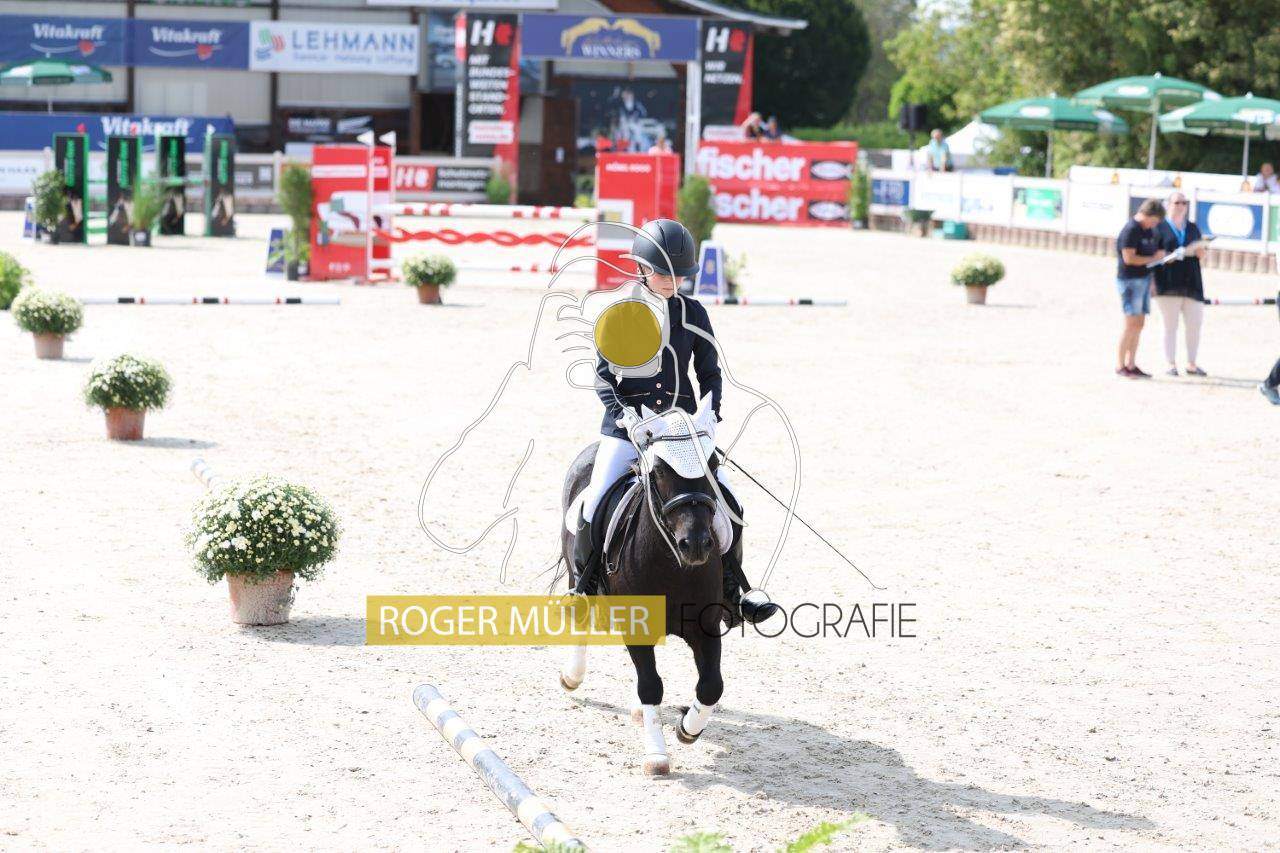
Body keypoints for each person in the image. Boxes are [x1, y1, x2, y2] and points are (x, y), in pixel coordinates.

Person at [570, 219, 778, 625]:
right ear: (642, 269)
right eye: (664, 274)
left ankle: (735, 592)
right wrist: (625, 416)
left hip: (681, 431)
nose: (672, 282)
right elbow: (603, 378)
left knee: (729, 503)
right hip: (629, 429)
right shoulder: (621, 314)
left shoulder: (693, 312)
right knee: (594, 500)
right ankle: (583, 586)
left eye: (679, 275)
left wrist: (711, 414)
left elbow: (710, 372)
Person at [1153, 191, 1208, 376]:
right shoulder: (1160, 227)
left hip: (1191, 281)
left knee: (1194, 324)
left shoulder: (1192, 228)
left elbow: (1201, 252)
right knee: (1170, 325)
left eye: (1184, 203)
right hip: (1168, 282)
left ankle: (1191, 363)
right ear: (1168, 204)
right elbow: (1155, 253)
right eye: (1177, 202)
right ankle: (1170, 363)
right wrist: (1169, 255)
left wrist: (1200, 251)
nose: (1181, 206)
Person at [1115, 199, 1167, 378]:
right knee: (1130, 325)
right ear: (1148, 215)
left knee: (1139, 325)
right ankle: (1120, 364)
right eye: (1154, 220)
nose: (1154, 225)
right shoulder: (1131, 230)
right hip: (1130, 281)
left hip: (1144, 279)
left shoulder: (1148, 230)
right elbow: (1129, 258)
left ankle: (1131, 363)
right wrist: (1153, 259)